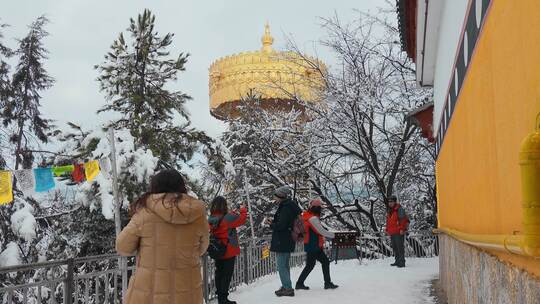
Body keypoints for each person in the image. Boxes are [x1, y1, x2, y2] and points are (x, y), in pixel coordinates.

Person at [116, 169, 209, 304]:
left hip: (149, 293)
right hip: (186, 292)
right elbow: (202, 247)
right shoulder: (197, 213)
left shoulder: (145, 212)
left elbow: (122, 246)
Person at [208, 196, 248, 304]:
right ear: (224, 205)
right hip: (228, 250)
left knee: (219, 273)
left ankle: (220, 294)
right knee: (226, 275)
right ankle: (223, 299)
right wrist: (243, 209)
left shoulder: (211, 218)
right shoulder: (228, 217)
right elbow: (242, 219)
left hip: (217, 249)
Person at [295, 200, 339, 290]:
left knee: (323, 262)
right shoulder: (313, 219)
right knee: (311, 265)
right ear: (317, 208)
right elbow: (321, 231)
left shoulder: (306, 216)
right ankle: (300, 283)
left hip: (311, 244)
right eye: (320, 208)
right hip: (313, 245)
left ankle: (327, 283)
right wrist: (335, 235)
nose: (321, 210)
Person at [268, 186, 302, 297]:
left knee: (281, 265)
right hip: (287, 239)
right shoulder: (289, 206)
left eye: (275, 196)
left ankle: (287, 288)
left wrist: (271, 224)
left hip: (282, 240)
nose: (274, 198)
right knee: (285, 265)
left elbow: (282, 225)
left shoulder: (285, 208)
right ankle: (286, 285)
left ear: (280, 196)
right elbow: (285, 222)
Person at [385, 195, 409, 268]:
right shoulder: (390, 210)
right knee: (395, 248)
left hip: (398, 232)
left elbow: (403, 220)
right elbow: (388, 221)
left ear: (395, 202)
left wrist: (402, 229)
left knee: (400, 247)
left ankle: (402, 262)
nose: (390, 203)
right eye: (389, 202)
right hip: (392, 232)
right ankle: (397, 261)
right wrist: (387, 229)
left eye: (391, 201)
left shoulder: (399, 209)